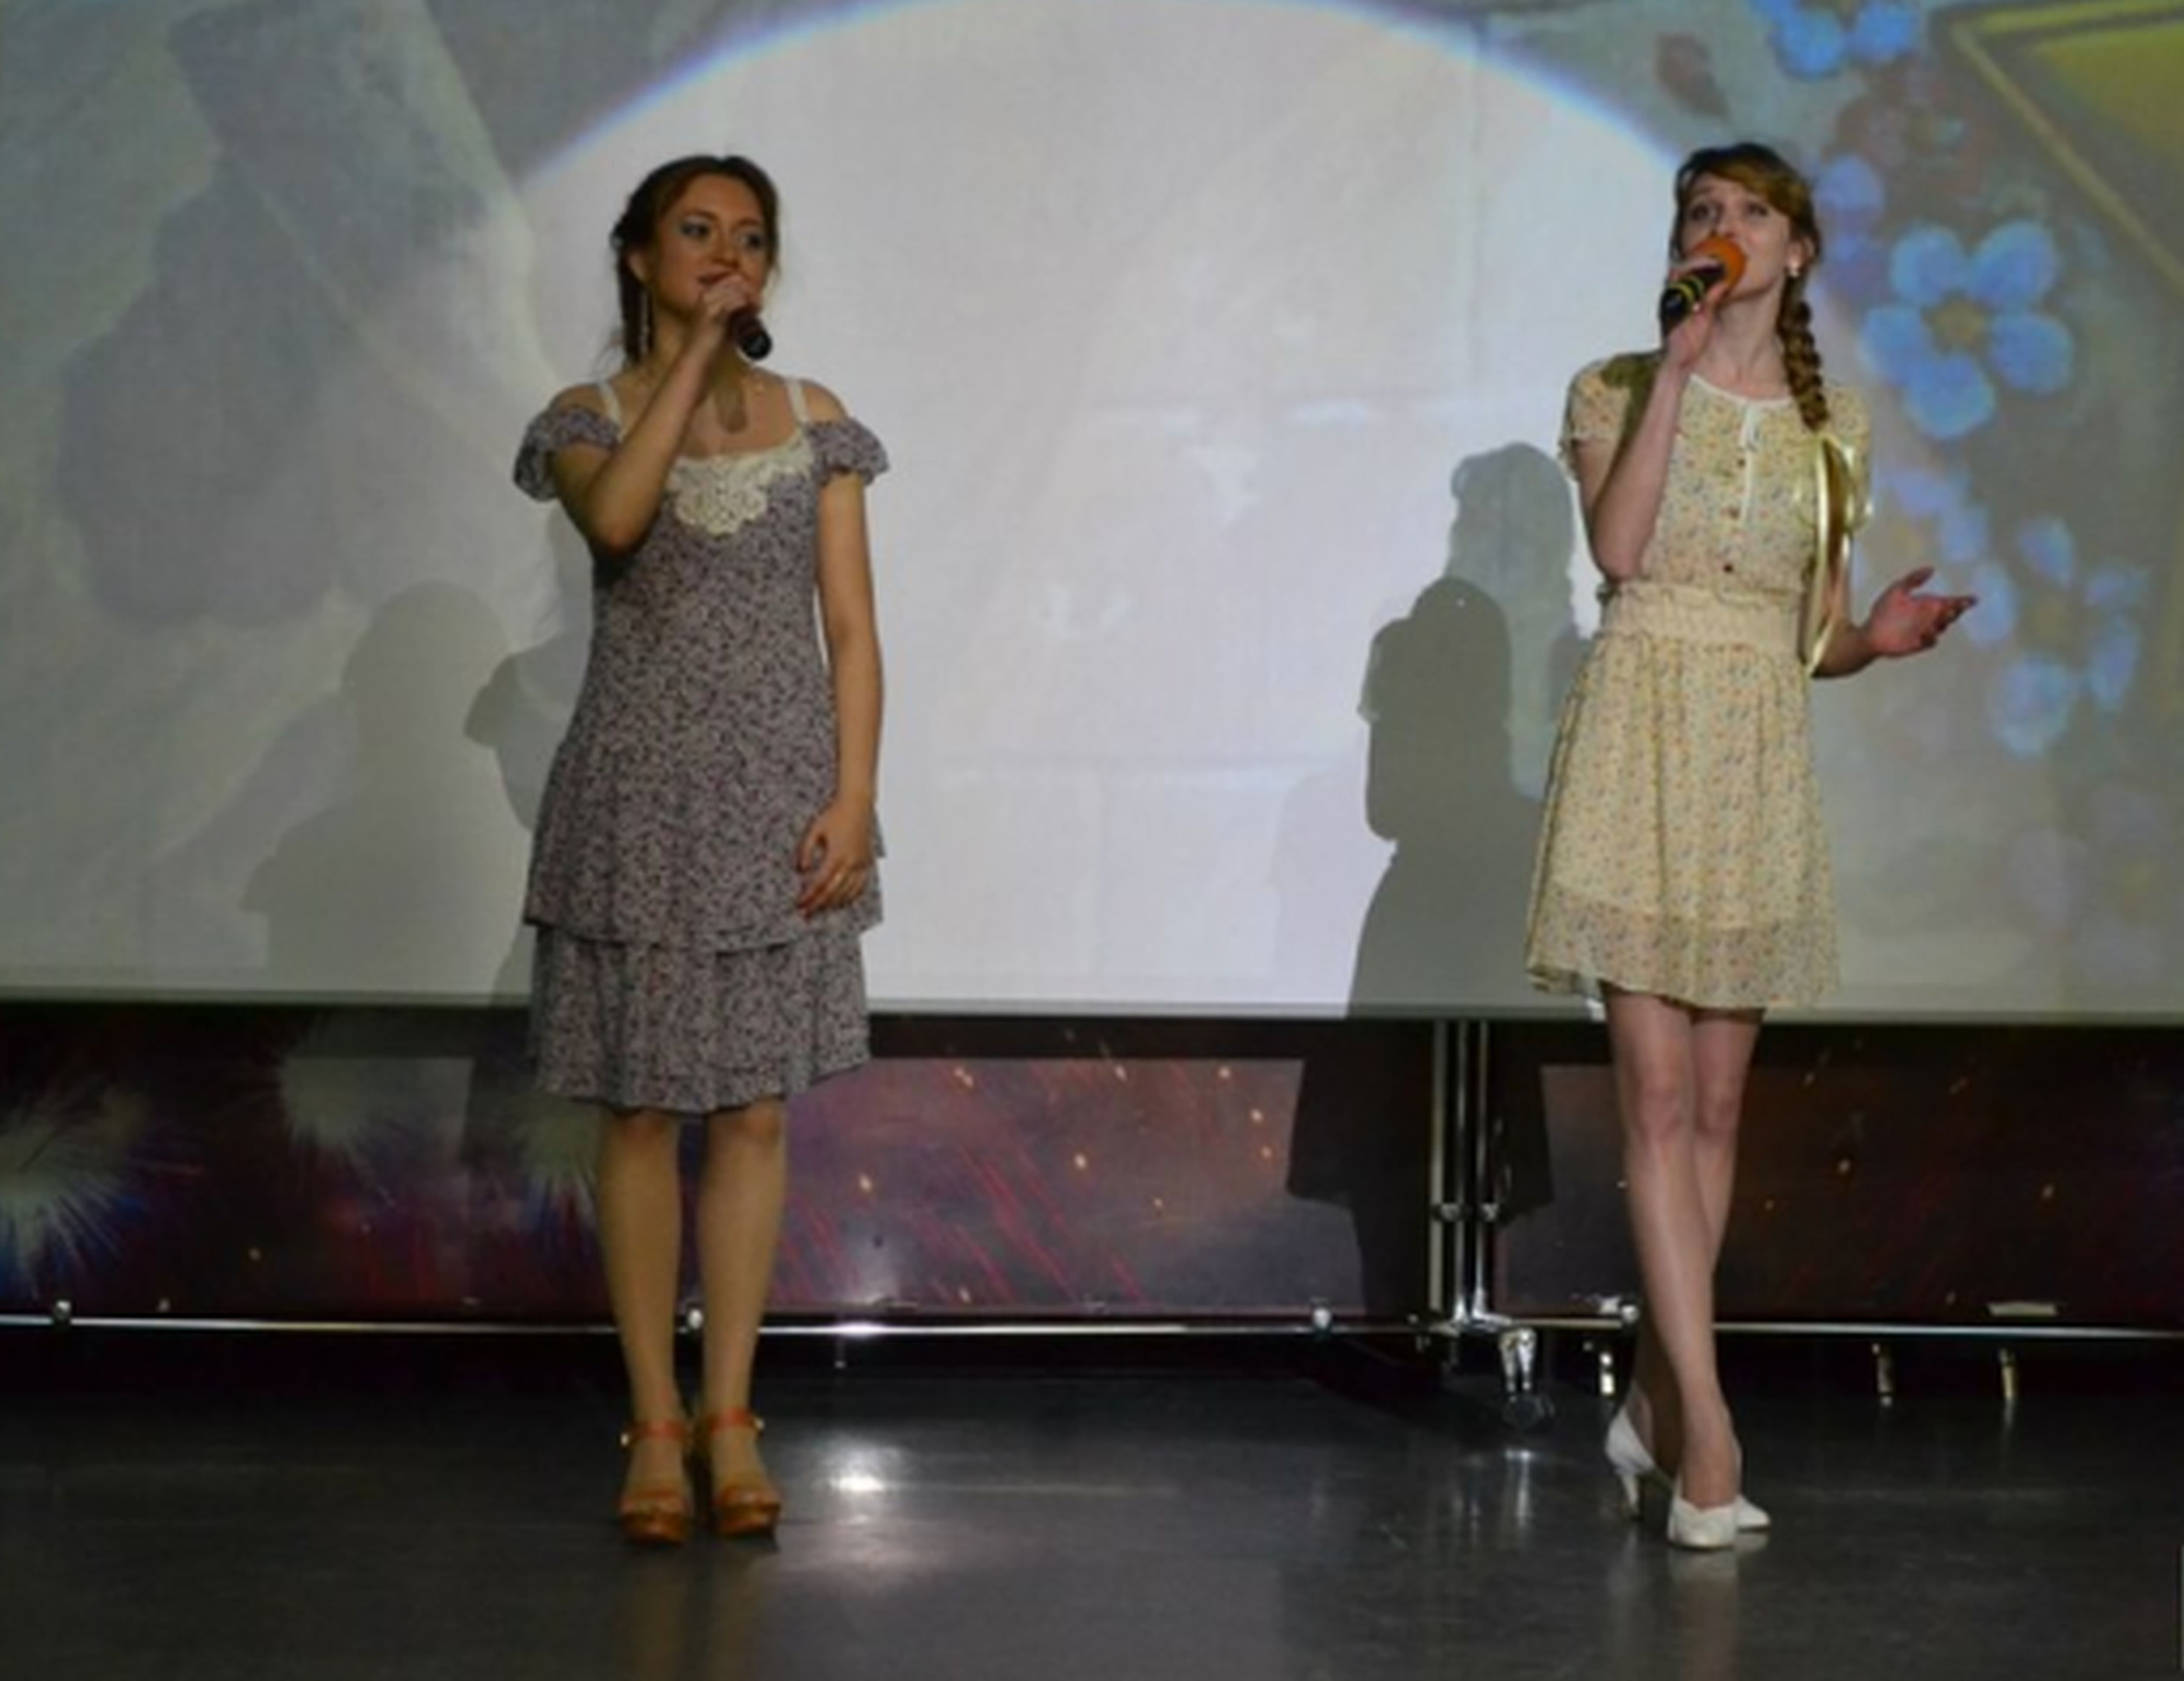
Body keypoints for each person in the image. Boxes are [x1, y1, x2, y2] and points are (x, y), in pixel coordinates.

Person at [1525, 142, 1973, 1550]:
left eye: (1748, 213)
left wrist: (1873, 642)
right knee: (1656, 1104)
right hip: (1642, 737)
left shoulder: (1833, 432)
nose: (1720, 228)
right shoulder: (1614, 387)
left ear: (1798, 251)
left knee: (1719, 1112)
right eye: (1700, 212)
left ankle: (1655, 1405)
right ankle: (1708, 1437)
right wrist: (1675, 368)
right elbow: (1619, 551)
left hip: (1754, 757)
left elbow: (1810, 635)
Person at [512, 153, 887, 1546]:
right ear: (639, 257)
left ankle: (732, 1415)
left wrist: (854, 794)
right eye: (698, 232)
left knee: (755, 1114)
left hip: (777, 799)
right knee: (638, 1112)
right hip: (639, 802)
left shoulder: (816, 421)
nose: (730, 254)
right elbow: (618, 519)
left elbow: (851, 628)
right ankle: (654, 1423)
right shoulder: (585, 419)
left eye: (751, 238)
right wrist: (689, 361)